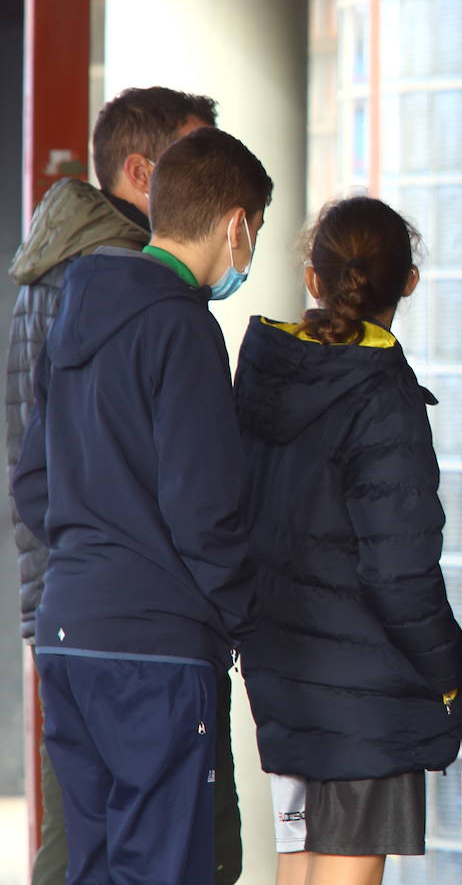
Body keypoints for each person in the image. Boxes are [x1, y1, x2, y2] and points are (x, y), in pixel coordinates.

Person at [11, 126, 269, 885]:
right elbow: (206, 509)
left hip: (68, 633)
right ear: (236, 223)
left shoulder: (76, 307)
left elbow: (33, 481)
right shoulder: (183, 325)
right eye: (255, 230)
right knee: (164, 867)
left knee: (92, 866)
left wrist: (97, 546)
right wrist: (246, 619)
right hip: (155, 650)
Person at [233, 196, 462, 885]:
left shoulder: (266, 374)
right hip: (366, 690)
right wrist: (448, 671)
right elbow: (398, 569)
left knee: (299, 864)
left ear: (314, 278)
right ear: (409, 282)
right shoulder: (382, 395)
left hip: (282, 672)